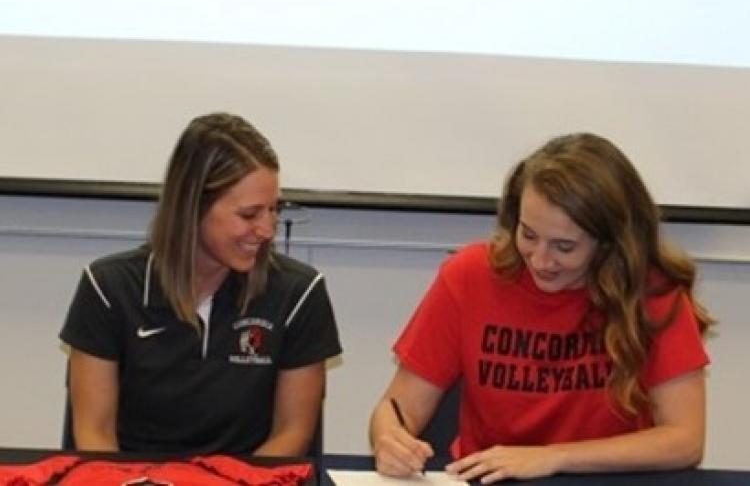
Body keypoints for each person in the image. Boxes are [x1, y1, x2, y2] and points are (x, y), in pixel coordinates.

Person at [369, 132, 714, 483]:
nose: (540, 260)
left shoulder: (651, 291)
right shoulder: (468, 276)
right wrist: (388, 439)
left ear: (610, 244)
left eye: (564, 247)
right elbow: (396, 409)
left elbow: (684, 440)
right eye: (528, 235)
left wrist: (554, 457)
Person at [60, 112, 342, 455]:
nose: (267, 230)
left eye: (274, 210)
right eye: (250, 214)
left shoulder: (298, 295)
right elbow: (95, 436)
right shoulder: (108, 289)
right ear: (193, 206)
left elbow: (291, 435)